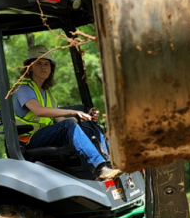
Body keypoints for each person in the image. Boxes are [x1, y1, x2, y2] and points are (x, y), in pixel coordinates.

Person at [13, 45, 121, 180]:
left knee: (89, 127)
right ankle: (99, 168)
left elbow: (62, 121)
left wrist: (84, 118)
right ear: (29, 67)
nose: (43, 67)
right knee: (69, 123)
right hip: (29, 139)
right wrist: (73, 112)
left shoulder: (47, 94)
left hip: (45, 135)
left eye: (47, 64)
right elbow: (38, 111)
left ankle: (110, 164)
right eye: (38, 63)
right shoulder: (24, 88)